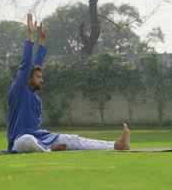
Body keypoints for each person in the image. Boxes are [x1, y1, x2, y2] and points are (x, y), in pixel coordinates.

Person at [7, 13, 130, 153]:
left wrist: (41, 42)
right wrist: (30, 36)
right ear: (28, 79)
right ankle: (48, 149)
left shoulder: (35, 99)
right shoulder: (18, 90)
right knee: (27, 140)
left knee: (74, 140)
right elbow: (25, 65)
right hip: (19, 140)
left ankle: (118, 145)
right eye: (38, 77)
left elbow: (37, 65)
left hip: (42, 137)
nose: (42, 79)